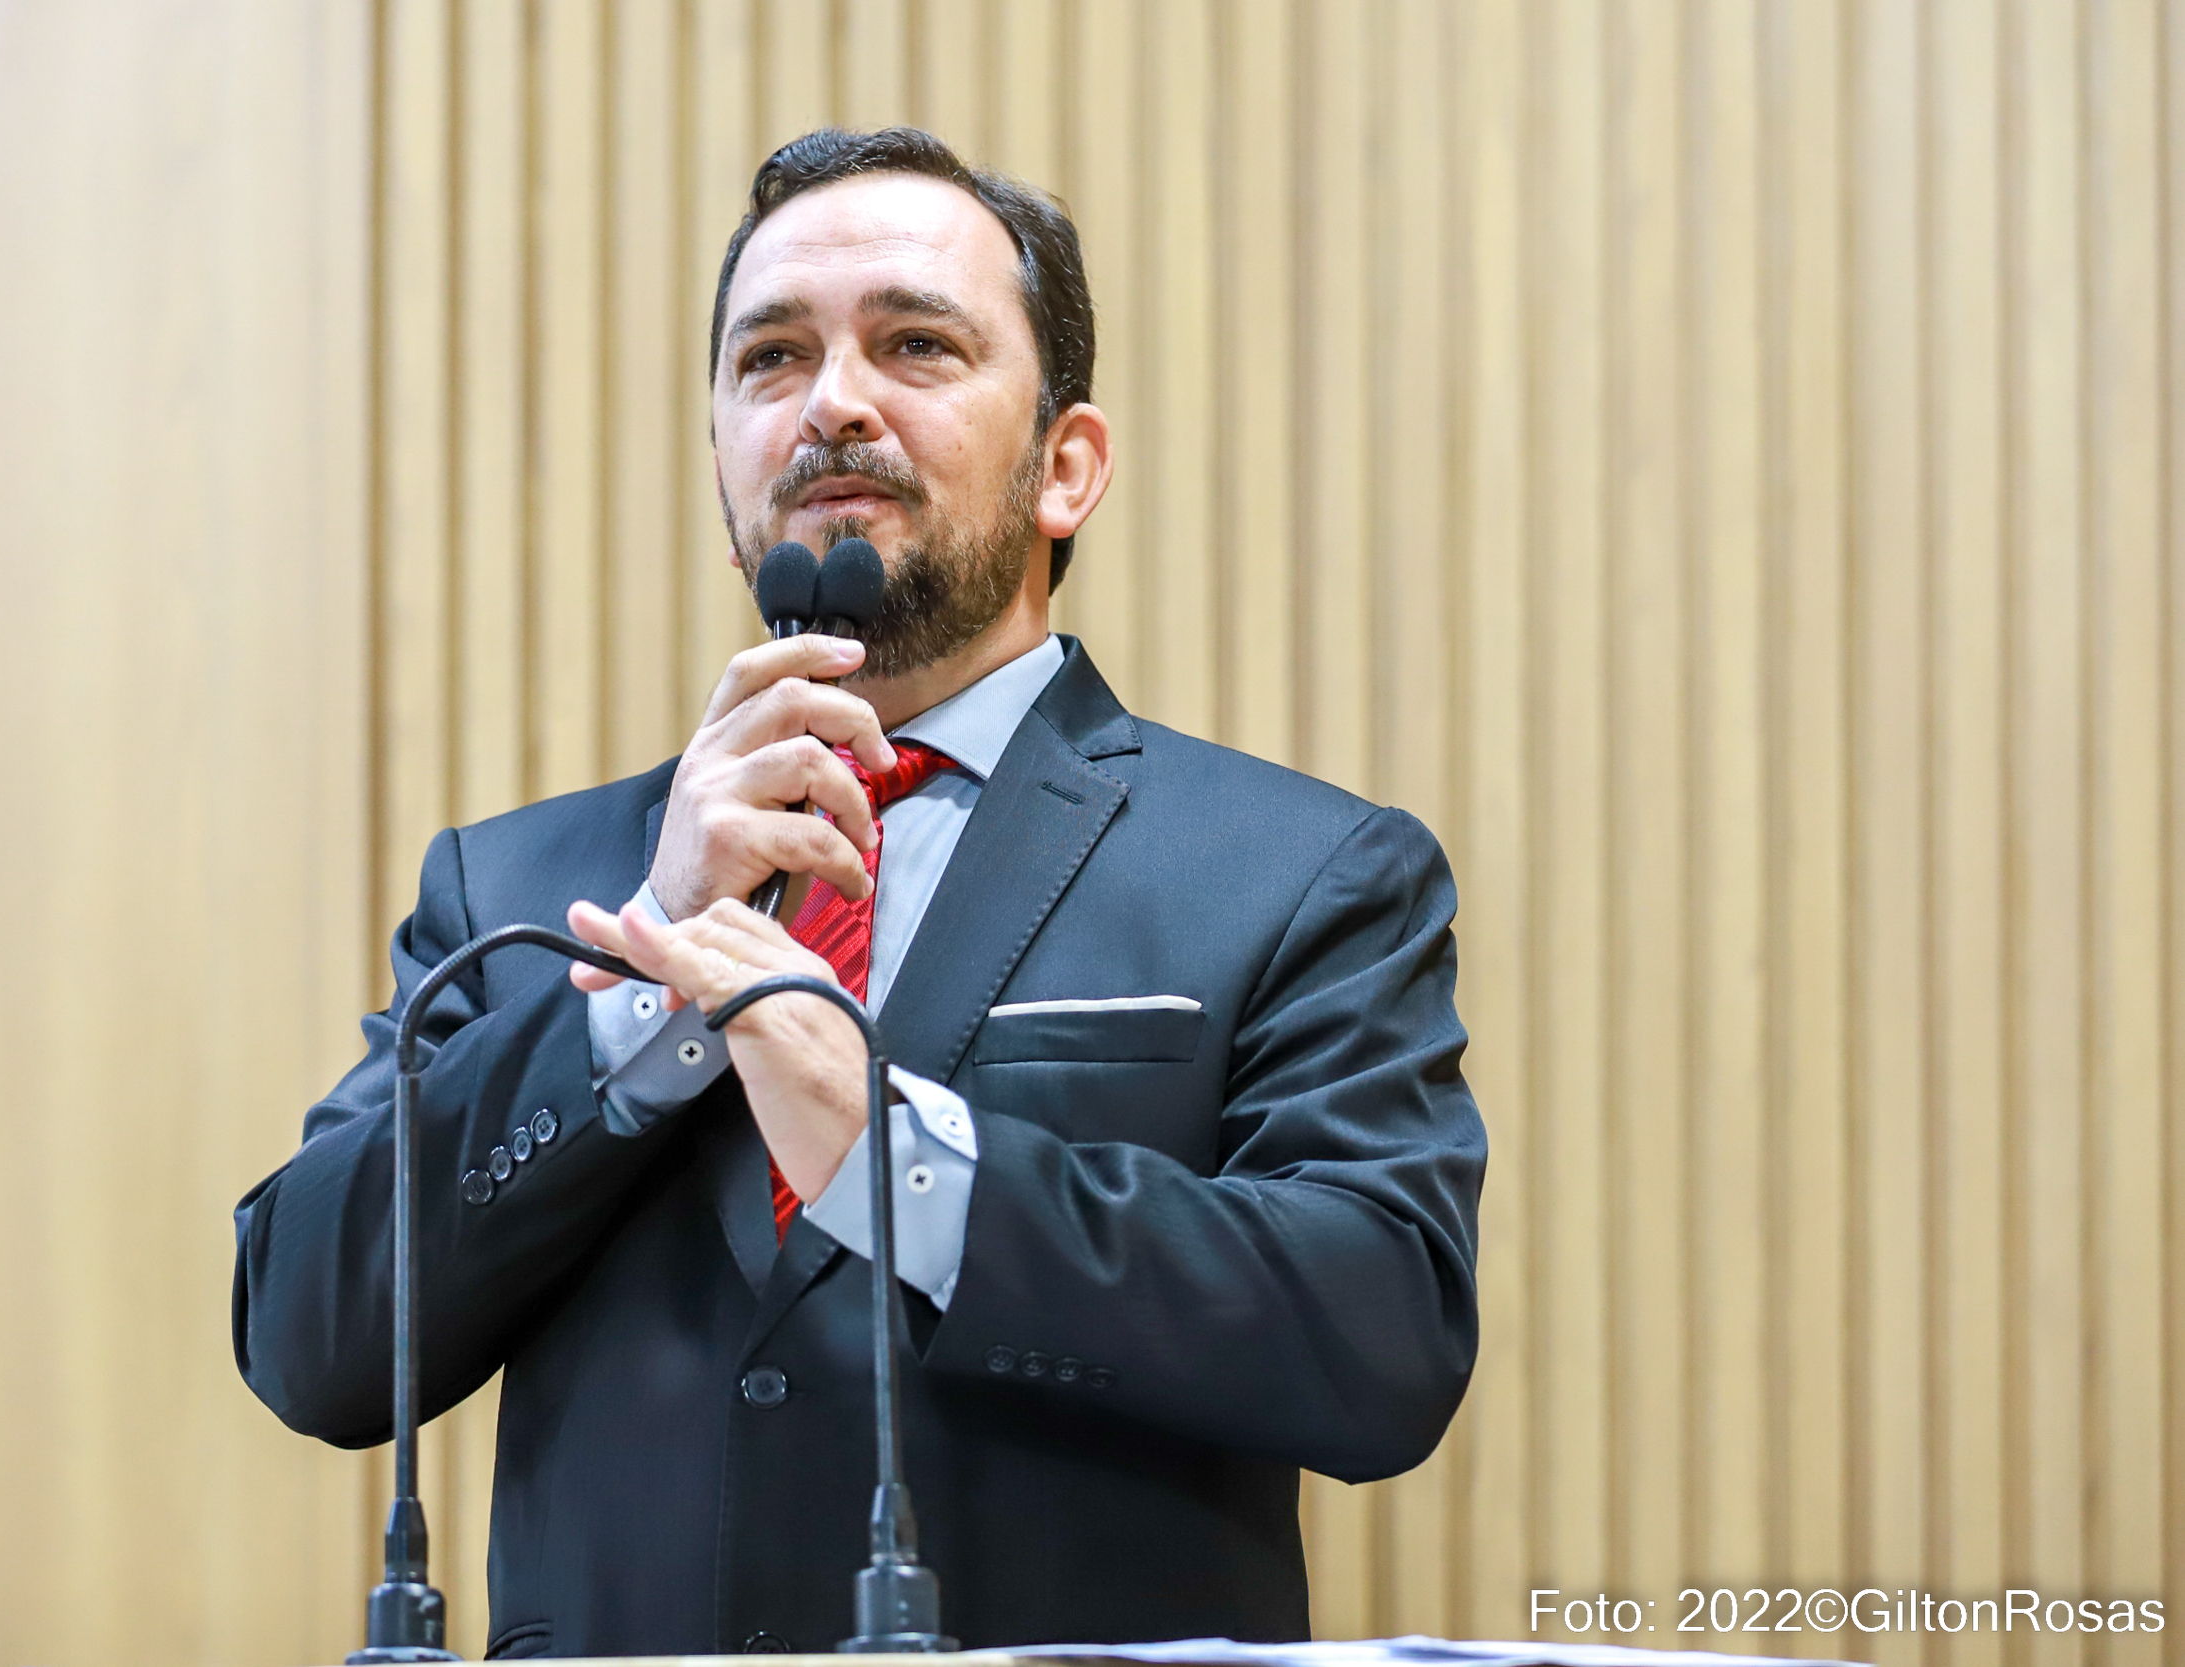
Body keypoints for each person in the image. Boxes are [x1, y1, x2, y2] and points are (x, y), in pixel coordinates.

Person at [233, 126, 1484, 1659]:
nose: (833, 402)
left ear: (1066, 467)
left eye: (916, 345)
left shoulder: (1294, 871)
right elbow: (308, 1335)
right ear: (725, 466)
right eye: (772, 358)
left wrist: (905, 1166)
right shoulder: (516, 888)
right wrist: (635, 994)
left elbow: (1378, 1343)